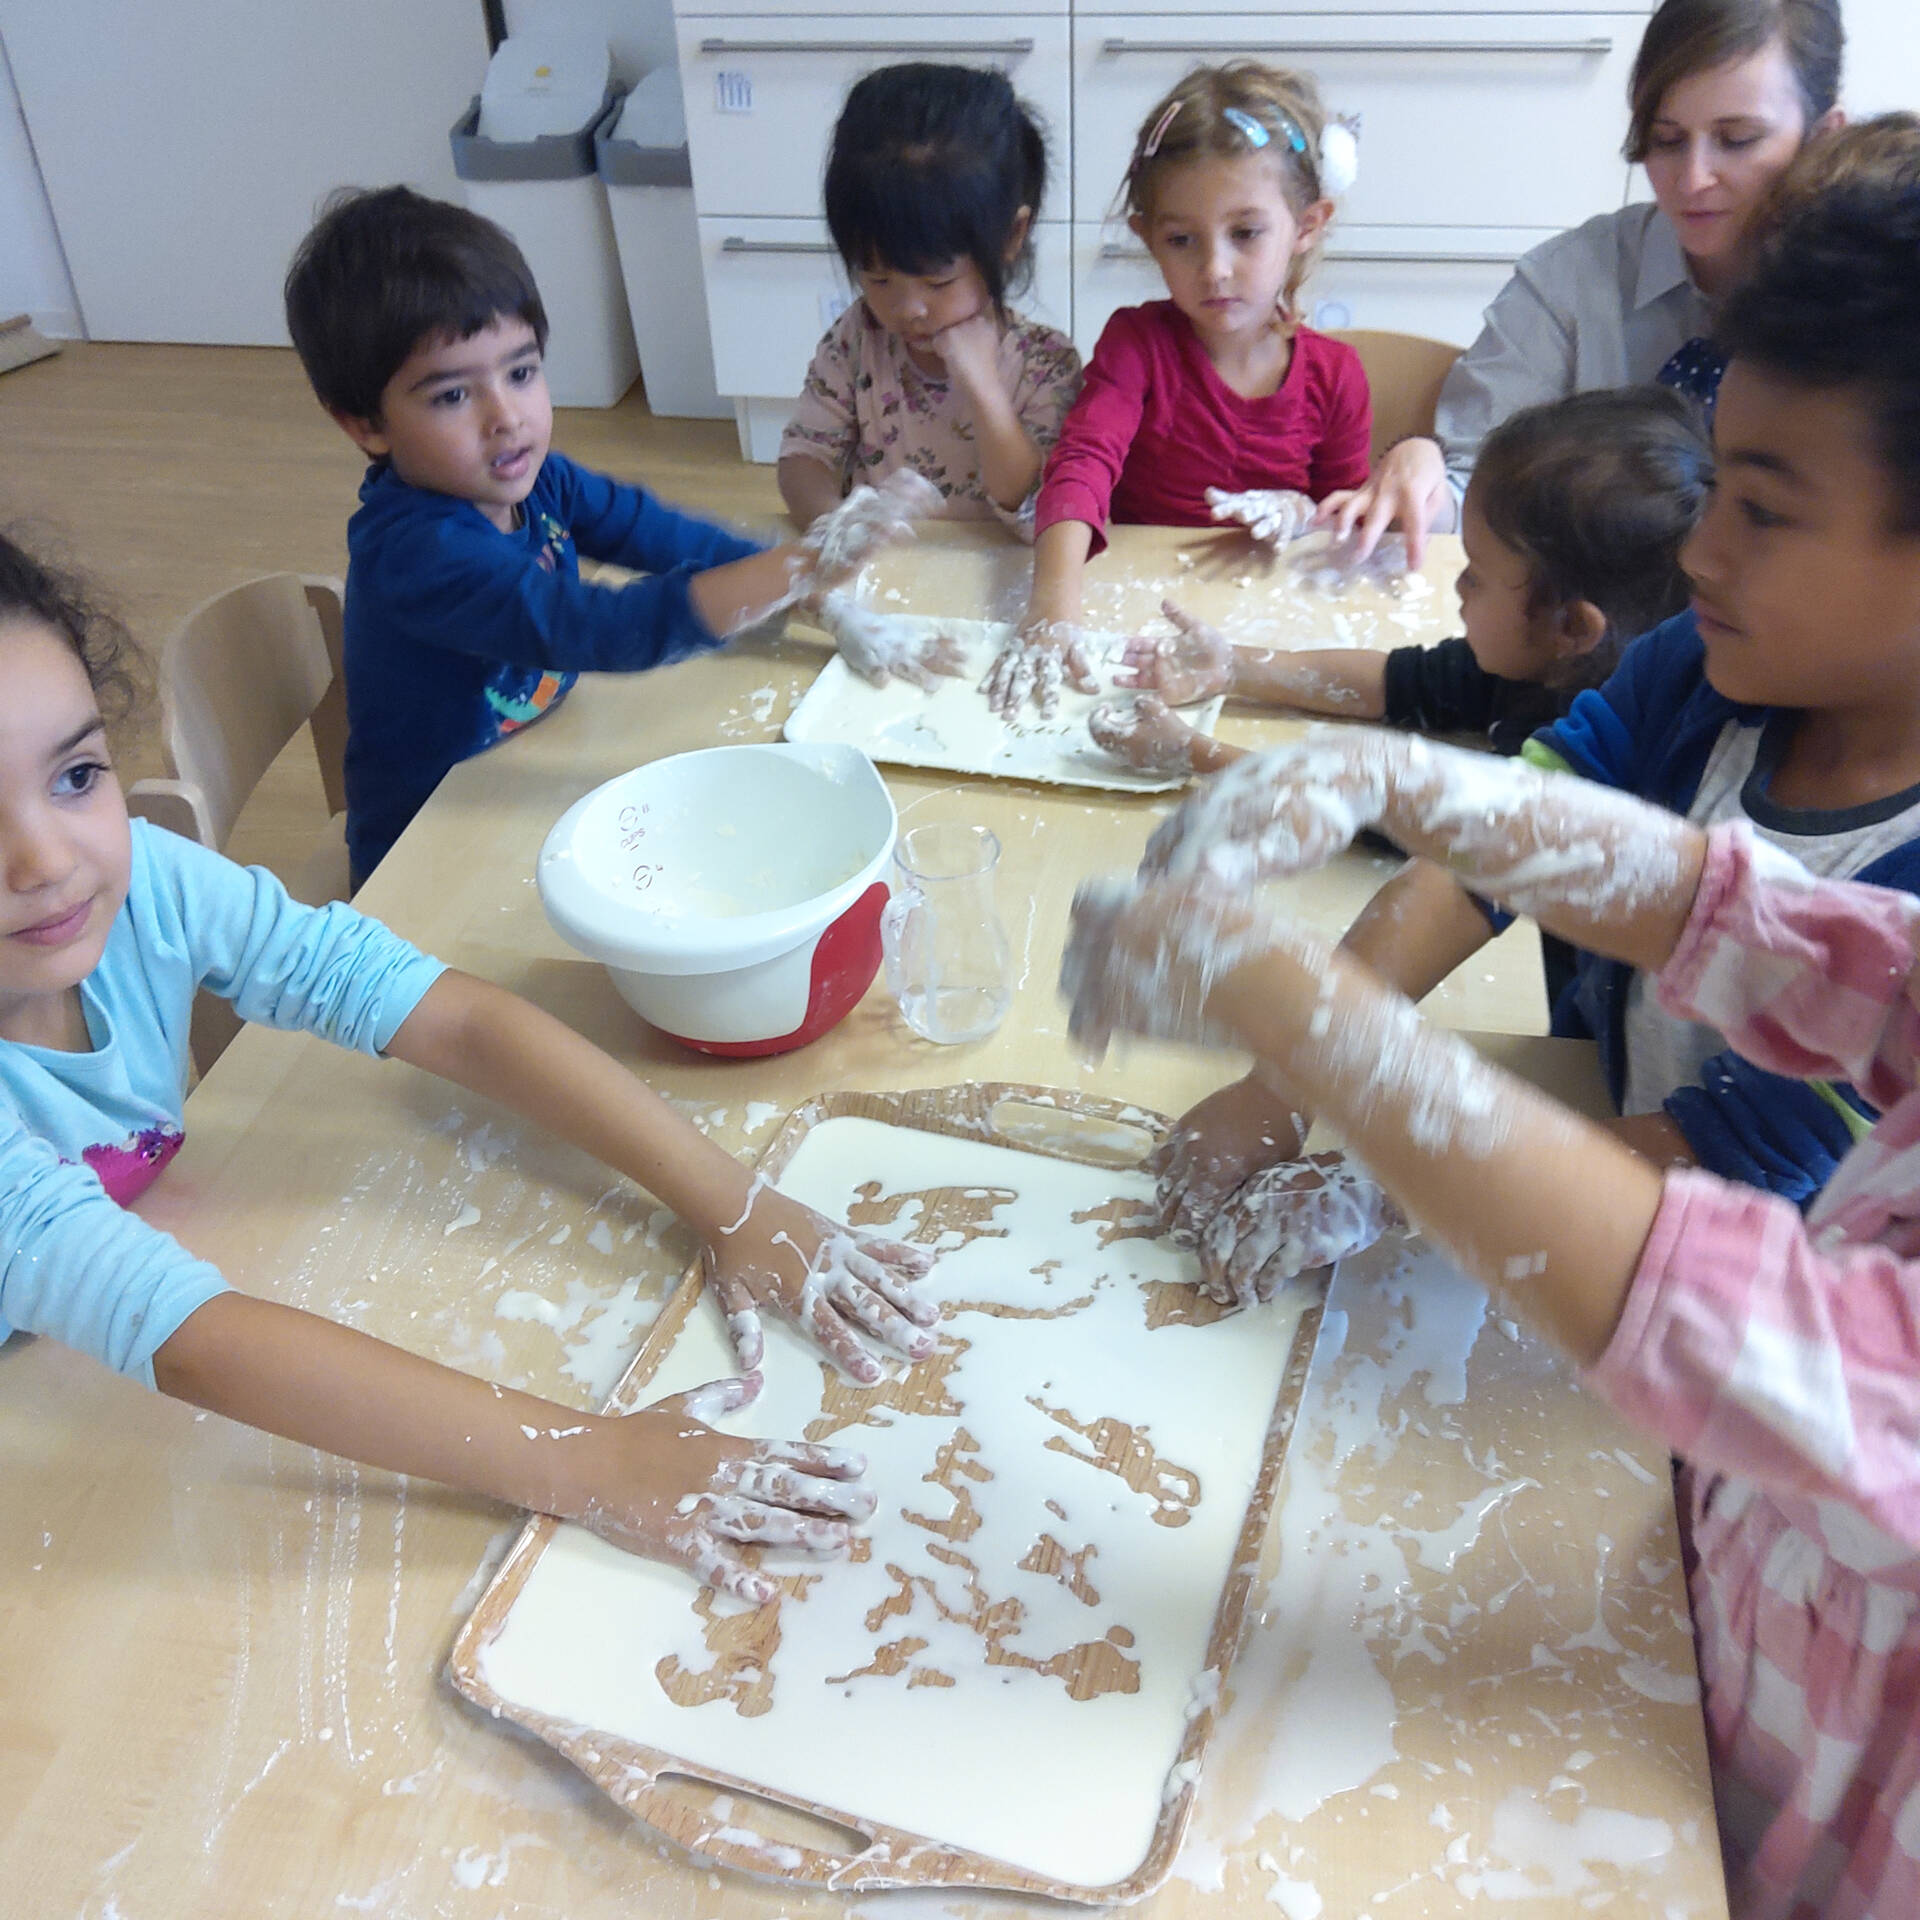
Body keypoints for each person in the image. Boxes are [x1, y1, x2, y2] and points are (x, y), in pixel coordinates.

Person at [1060, 740, 1920, 1918]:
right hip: (1729, 1593)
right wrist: (1406, 784)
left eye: (1766, 529)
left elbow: (1777, 1345)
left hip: (1823, 1818)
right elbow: (1798, 944)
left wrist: (1325, 1030)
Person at [0, 532, 942, 1603]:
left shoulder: (144, 885)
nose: (44, 859)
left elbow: (442, 1016)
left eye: (75, 776)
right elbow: (186, 1338)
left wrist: (725, 1198)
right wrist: (583, 1461)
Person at [1147, 176, 1920, 1297]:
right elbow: (1490, 853)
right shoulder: (1698, 673)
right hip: (1605, 1186)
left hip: (1772, 1321)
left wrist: (1399, 1183)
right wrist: (1295, 1078)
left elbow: (1746, 1158)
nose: (1698, 556)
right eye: (1716, 491)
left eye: (1761, 510)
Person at [284, 187, 940, 884]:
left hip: (526, 778)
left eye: (521, 371)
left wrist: (813, 594)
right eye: (452, 395)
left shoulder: (535, 481)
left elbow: (657, 533)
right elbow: (599, 627)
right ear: (363, 423)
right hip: (426, 852)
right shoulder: (416, 553)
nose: (506, 417)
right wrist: (805, 563)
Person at [1331, 0, 1843, 567]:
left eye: (1738, 138)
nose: (1693, 178)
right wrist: (1422, 469)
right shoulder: (1569, 281)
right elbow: (1479, 487)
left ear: (1822, 135)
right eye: (1667, 140)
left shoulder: (1869, 297)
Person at [987, 61, 1371, 716]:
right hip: (1135, 618)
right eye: (1182, 240)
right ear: (1148, 238)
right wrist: (1052, 608)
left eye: (1245, 233)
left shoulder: (1336, 376)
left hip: (1265, 635)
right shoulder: (1137, 345)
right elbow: (1082, 467)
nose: (1215, 268)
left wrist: (1301, 512)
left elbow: (1346, 518)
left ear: (1306, 225)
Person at [1088, 386, 1711, 779]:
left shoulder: (1584, 754)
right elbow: (1399, 681)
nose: (1459, 588)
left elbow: (1401, 823)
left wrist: (1195, 752)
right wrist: (1234, 667)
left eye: (1479, 576)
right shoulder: (1543, 658)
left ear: (1572, 627)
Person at [777, 62, 1083, 536]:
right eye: (876, 277)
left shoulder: (1045, 363)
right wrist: (837, 528)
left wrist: (982, 385)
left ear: (1011, 235)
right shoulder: (858, 340)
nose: (907, 309)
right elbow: (803, 459)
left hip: (997, 579)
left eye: (938, 282)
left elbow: (1030, 512)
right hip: (886, 571)